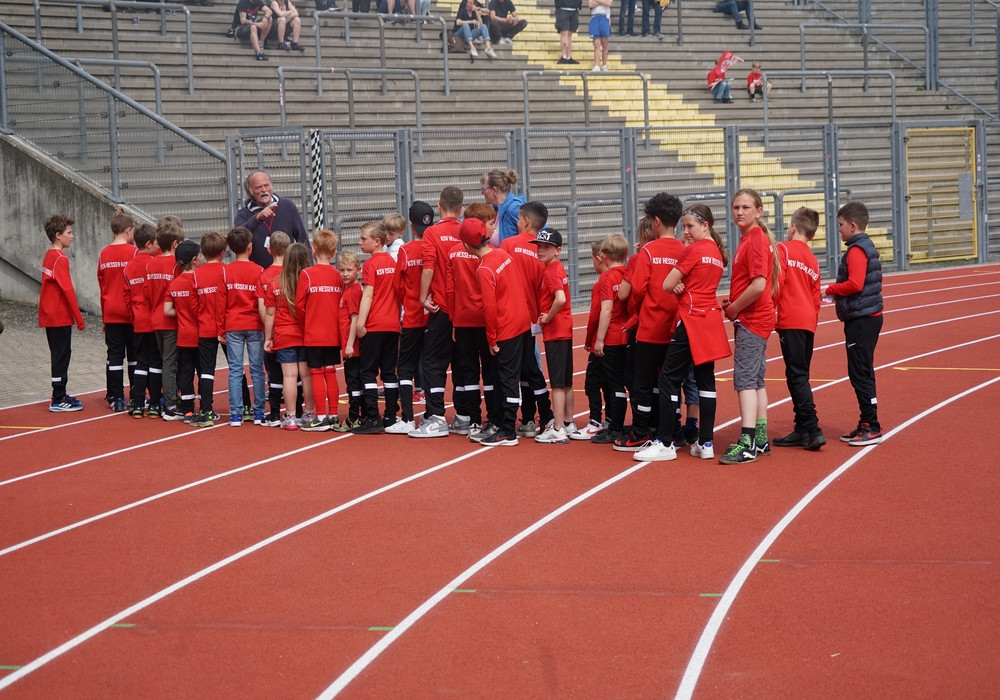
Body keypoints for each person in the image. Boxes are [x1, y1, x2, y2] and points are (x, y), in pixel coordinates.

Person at [633, 203, 731, 462]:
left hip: (690, 318)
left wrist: (679, 286)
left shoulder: (695, 250)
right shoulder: (716, 252)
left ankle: (665, 442)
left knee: (668, 379)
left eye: (690, 226)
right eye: (684, 226)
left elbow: (667, 284)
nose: (685, 231)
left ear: (705, 226)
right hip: (710, 320)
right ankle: (705, 442)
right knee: (705, 380)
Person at [614, 192, 685, 452]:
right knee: (671, 383)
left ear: (655, 221)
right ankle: (673, 430)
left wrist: (640, 311)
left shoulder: (649, 251)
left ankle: (640, 431)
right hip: (676, 328)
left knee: (643, 383)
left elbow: (636, 290)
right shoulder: (685, 250)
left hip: (650, 328)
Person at [719, 188, 779, 464]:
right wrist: (734, 302)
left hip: (753, 319)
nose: (740, 212)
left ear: (758, 211)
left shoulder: (754, 240)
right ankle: (760, 439)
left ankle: (748, 443)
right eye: (736, 207)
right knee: (755, 380)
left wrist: (734, 308)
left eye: (745, 207)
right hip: (755, 317)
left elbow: (758, 285)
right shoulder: (752, 238)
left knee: (744, 380)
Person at [460, 217, 530, 446]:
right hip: (521, 321)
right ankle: (502, 424)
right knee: (508, 377)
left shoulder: (484, 269)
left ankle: (508, 430)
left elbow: (489, 308)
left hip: (506, 328)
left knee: (507, 379)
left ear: (466, 246)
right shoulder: (502, 254)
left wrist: (491, 339)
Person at [826, 201, 885, 446]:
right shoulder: (864, 246)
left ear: (852, 225)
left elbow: (855, 284)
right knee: (861, 370)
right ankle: (866, 421)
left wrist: (830, 289)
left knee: (860, 372)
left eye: (840, 225)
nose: (838, 229)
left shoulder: (856, 250)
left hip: (862, 319)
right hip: (867, 315)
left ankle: (872, 425)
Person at [409, 186, 463, 438]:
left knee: (432, 362)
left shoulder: (432, 232)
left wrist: (422, 297)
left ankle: (436, 416)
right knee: (463, 363)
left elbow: (428, 267)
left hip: (441, 306)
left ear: (439, 207)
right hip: (465, 308)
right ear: (461, 209)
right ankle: (465, 417)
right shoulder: (466, 231)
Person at [499, 201, 554, 438]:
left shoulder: (508, 244)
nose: (517, 223)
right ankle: (536, 416)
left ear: (526, 221)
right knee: (530, 368)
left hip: (510, 317)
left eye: (519, 220)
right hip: (531, 317)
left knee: (511, 369)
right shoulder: (542, 252)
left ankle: (515, 420)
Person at [772, 207, 826, 451]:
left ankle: (813, 429)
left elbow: (778, 283)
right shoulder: (812, 260)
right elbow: (816, 297)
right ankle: (802, 428)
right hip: (807, 321)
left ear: (793, 227)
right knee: (799, 373)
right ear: (812, 235)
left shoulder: (782, 249)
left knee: (797, 375)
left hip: (791, 319)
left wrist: (770, 312)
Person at [447, 203, 496, 435]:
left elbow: (450, 288)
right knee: (490, 370)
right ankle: (493, 418)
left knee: (468, 372)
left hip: (463, 318)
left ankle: (473, 419)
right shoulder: (489, 252)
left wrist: (453, 319)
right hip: (484, 319)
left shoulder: (453, 252)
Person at [389, 201, 433, 435]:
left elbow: (397, 286)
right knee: (432, 366)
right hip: (434, 316)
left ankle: (407, 417)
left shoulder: (405, 251)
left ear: (411, 226)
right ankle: (432, 415)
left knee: (405, 367)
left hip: (412, 317)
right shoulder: (434, 247)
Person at [353, 221, 401, 434]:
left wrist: (360, 323)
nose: (360, 242)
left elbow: (368, 295)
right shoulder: (393, 262)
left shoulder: (371, 264)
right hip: (392, 324)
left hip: (374, 324)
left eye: (364, 239)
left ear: (377, 241)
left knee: (368, 372)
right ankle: (390, 414)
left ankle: (373, 417)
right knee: (389, 372)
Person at [581, 233, 630, 443]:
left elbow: (603, 311)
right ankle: (617, 423)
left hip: (611, 336)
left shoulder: (607, 278)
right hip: (627, 335)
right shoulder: (628, 273)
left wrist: (596, 340)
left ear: (604, 256)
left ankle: (610, 426)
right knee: (623, 383)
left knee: (608, 384)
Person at [263, 242, 316, 431]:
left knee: (289, 376)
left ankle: (291, 416)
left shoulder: (275, 283)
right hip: (305, 333)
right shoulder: (309, 281)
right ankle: (309, 413)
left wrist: (268, 338)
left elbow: (270, 314)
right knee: (307, 376)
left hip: (284, 334)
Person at [295, 229, 343, 431]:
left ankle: (321, 417)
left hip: (313, 333)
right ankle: (333, 415)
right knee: (330, 373)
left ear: (313, 250)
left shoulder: (306, 274)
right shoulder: (338, 275)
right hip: (333, 333)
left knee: (316, 373)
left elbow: (299, 305)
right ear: (334, 253)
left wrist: (307, 323)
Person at [532, 227, 576, 443]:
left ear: (557, 250)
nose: (540, 250)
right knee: (566, 381)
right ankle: (568, 422)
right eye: (539, 246)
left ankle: (557, 428)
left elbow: (560, 298)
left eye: (546, 247)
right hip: (564, 329)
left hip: (556, 331)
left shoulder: (550, 271)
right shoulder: (556, 267)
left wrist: (548, 316)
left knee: (557, 383)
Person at [39, 214, 86, 413]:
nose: (72, 236)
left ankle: (60, 393)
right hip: (59, 316)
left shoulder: (49, 255)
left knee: (59, 354)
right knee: (61, 355)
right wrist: (79, 318)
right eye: (69, 232)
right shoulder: (60, 258)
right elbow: (67, 290)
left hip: (50, 314)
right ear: (58, 235)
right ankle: (58, 397)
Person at [221, 226, 267, 427]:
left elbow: (221, 302)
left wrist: (220, 328)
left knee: (235, 369)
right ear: (250, 246)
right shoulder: (259, 270)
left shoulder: (226, 271)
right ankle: (259, 412)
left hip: (233, 324)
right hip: (254, 323)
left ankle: (235, 414)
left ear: (231, 248)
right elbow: (262, 301)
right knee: (257, 369)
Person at [97, 208, 137, 412]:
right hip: (131, 313)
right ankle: (136, 395)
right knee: (134, 356)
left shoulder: (103, 254)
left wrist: (104, 316)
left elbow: (102, 285)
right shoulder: (134, 253)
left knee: (114, 356)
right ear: (128, 230)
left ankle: (116, 397)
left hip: (111, 312)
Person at [188, 231, 229, 428]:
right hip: (227, 328)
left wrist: (203, 316)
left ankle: (206, 410)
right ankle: (246, 407)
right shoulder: (226, 271)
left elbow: (193, 304)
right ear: (222, 252)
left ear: (203, 253)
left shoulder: (196, 274)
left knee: (206, 371)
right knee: (236, 366)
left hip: (205, 327)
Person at [124, 223, 163, 418]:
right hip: (153, 321)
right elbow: (152, 292)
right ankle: (155, 404)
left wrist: (133, 317)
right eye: (156, 243)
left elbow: (127, 295)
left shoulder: (129, 266)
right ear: (149, 244)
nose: (158, 246)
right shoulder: (153, 264)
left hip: (138, 321)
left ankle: (137, 403)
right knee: (155, 363)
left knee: (140, 363)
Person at [233, 171, 310, 268]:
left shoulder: (287, 205)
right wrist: (257, 218)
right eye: (258, 187)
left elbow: (302, 239)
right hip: (258, 273)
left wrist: (308, 268)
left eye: (266, 185)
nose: (264, 190)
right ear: (250, 192)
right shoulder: (244, 214)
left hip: (287, 271)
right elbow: (237, 239)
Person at [148, 219, 184, 420]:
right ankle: (170, 403)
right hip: (170, 320)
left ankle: (171, 398)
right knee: (170, 363)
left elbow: (148, 291)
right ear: (175, 244)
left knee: (166, 361)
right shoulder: (175, 265)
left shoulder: (151, 263)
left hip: (156, 318)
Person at [164, 240, 202, 425]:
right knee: (203, 372)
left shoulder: (174, 284)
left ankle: (187, 409)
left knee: (185, 373)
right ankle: (206, 408)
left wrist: (182, 311)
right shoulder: (199, 280)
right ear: (194, 260)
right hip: (201, 336)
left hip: (183, 335)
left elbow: (167, 310)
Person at [256, 231, 291, 426]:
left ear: (269, 250)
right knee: (295, 373)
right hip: (293, 331)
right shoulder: (295, 273)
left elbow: (263, 309)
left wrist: (269, 331)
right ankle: (298, 410)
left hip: (274, 330)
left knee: (275, 374)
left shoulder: (264, 276)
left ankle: (275, 413)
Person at [336, 250, 364, 431]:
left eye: (349, 270)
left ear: (358, 270)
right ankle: (360, 414)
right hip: (351, 345)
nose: (345, 274)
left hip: (353, 347)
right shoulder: (348, 290)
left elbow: (355, 319)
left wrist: (349, 345)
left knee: (353, 382)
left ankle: (354, 416)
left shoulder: (353, 291)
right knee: (354, 381)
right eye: (342, 270)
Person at [481, 169, 524, 245]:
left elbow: (537, 229)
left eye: (484, 188)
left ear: (495, 190)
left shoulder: (514, 208)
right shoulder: (495, 209)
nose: (482, 192)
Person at [589, 0, 611, 71]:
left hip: (604, 17)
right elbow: (590, 4)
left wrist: (597, 1)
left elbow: (609, 3)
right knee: (596, 44)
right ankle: (597, 65)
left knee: (605, 44)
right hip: (594, 17)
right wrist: (603, 2)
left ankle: (604, 65)